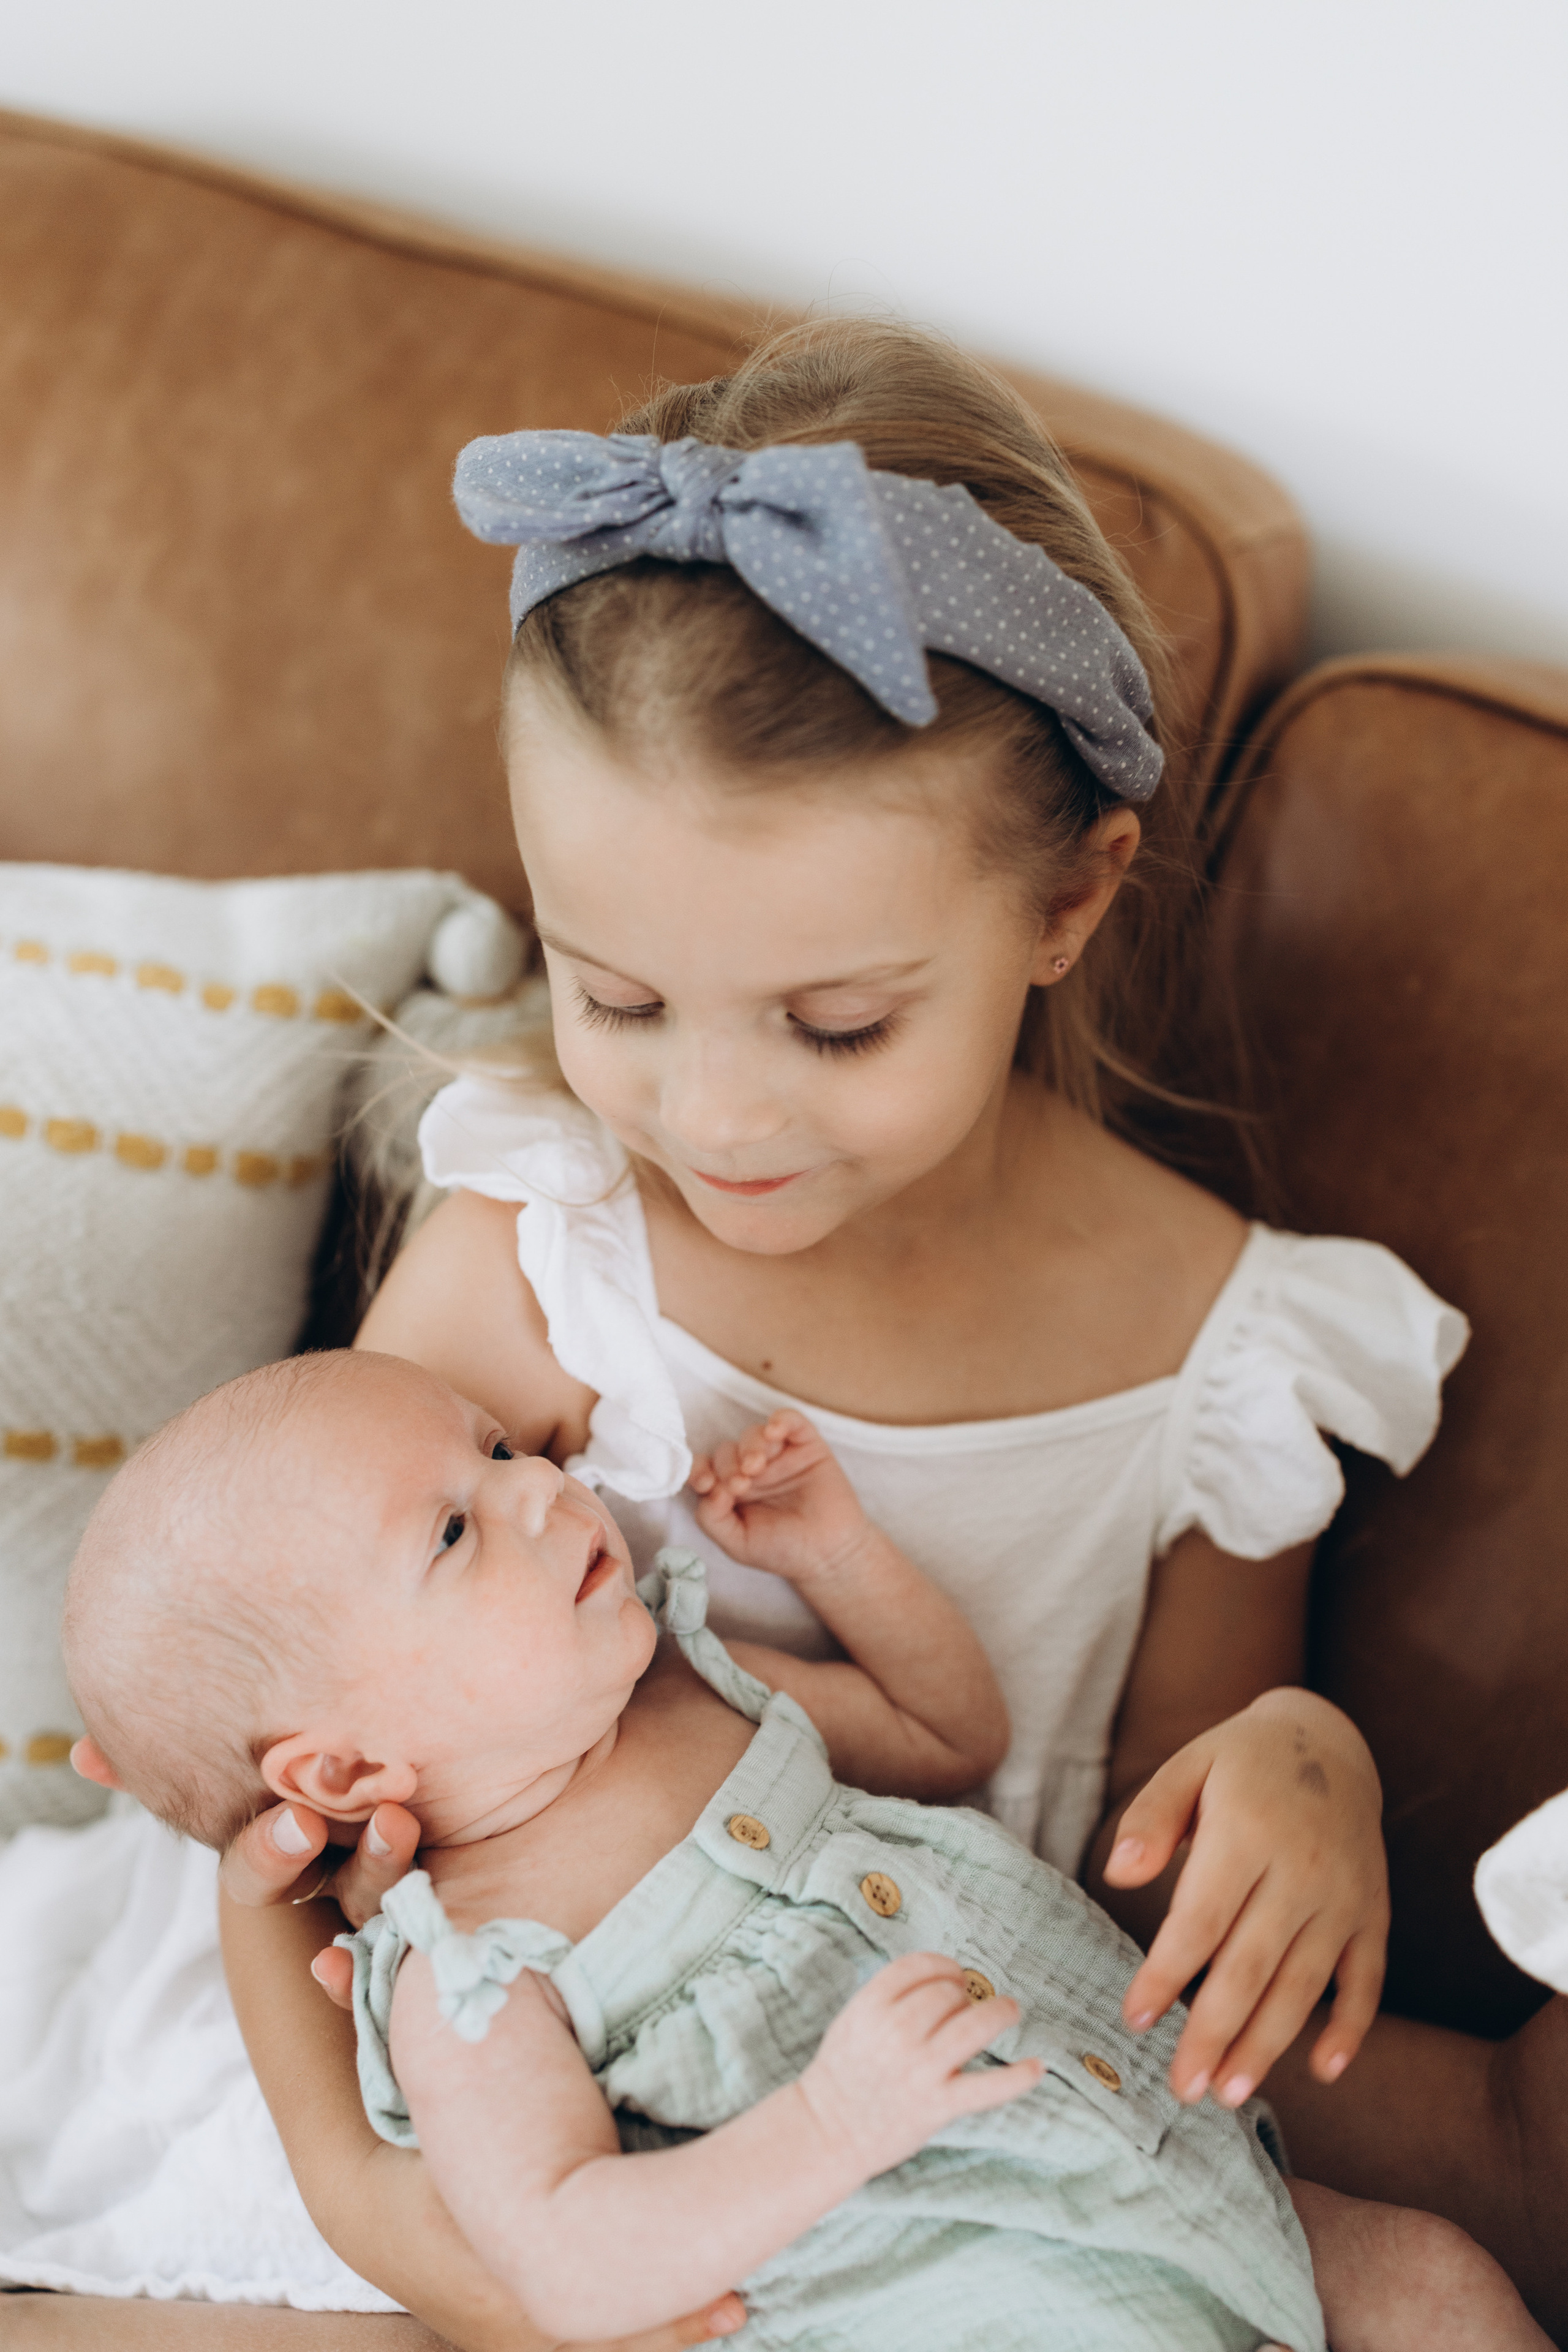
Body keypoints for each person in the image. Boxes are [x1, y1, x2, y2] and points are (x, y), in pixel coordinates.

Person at [110, 318, 1545, 2349]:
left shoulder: (1229, 1360)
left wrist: (1307, 1765)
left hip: (1009, 2089)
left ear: (1067, 906)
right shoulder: (545, 1242)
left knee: (1451, 2276)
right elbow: (295, 1811)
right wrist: (381, 2214)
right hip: (596, 2150)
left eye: (838, 1025)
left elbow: (1150, 1872)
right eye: (617, 1000)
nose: (714, 1117)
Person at [65, 1351, 1340, 2352]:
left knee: (1428, 2279)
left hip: (1176, 2170)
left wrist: (837, 1557)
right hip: (941, 2299)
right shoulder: (466, 1976)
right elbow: (560, 2257)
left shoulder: (690, 1687)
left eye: (496, 1446)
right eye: (451, 1532)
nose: (536, 1484)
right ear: (344, 1776)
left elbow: (953, 1735)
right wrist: (828, 2125)